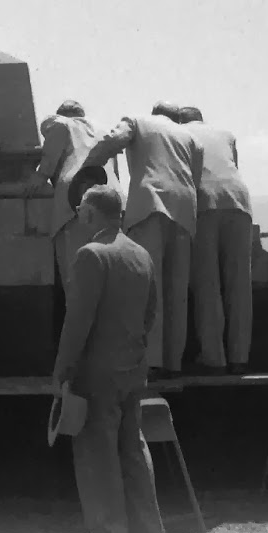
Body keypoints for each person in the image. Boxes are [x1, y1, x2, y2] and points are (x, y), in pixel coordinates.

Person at [51, 184, 166, 533]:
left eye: (82, 207)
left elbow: (77, 322)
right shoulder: (140, 255)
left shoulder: (91, 255)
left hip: (96, 374)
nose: (79, 213)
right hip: (132, 370)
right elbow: (150, 314)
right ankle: (148, 532)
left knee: (96, 455)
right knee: (133, 449)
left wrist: (63, 370)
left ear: (91, 213)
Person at [81, 101, 204, 377]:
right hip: (185, 209)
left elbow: (114, 140)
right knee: (177, 292)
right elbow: (194, 177)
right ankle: (174, 363)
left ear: (154, 114)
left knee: (149, 288)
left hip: (150, 203)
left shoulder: (136, 121)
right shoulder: (191, 137)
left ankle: (152, 362)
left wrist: (88, 167)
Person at [178, 106, 254, 373]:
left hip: (204, 201)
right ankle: (239, 358)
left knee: (207, 283)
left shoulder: (179, 132)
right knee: (239, 285)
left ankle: (214, 357)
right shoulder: (225, 133)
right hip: (240, 201)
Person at [31, 99, 121, 290]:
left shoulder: (62, 123)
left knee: (76, 272)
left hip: (75, 197)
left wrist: (36, 180)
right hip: (112, 195)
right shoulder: (104, 130)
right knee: (111, 271)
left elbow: (47, 165)